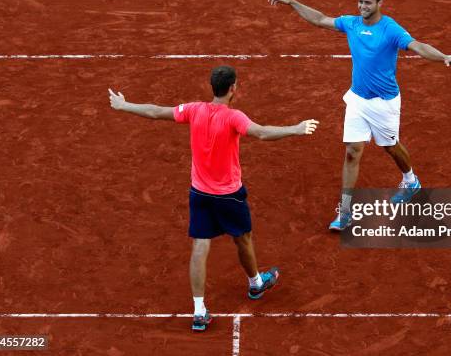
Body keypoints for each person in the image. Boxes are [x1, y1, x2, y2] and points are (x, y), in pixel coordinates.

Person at [108, 65, 319, 332]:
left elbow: (156, 111)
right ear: (233, 88)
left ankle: (199, 312)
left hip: (199, 193)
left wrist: (125, 105)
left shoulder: (194, 110)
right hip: (229, 195)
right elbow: (262, 132)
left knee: (200, 245)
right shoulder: (233, 117)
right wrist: (296, 128)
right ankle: (255, 284)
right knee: (243, 238)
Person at [268, 0, 451, 231]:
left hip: (385, 103)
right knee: (352, 152)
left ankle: (411, 181)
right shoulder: (352, 23)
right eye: (360, 2)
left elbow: (417, 46)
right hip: (358, 100)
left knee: (391, 147)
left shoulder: (391, 29)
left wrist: (443, 57)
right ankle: (345, 212)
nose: (362, 7)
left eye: (367, 3)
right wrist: (292, 2)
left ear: (380, 3)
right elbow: (320, 19)